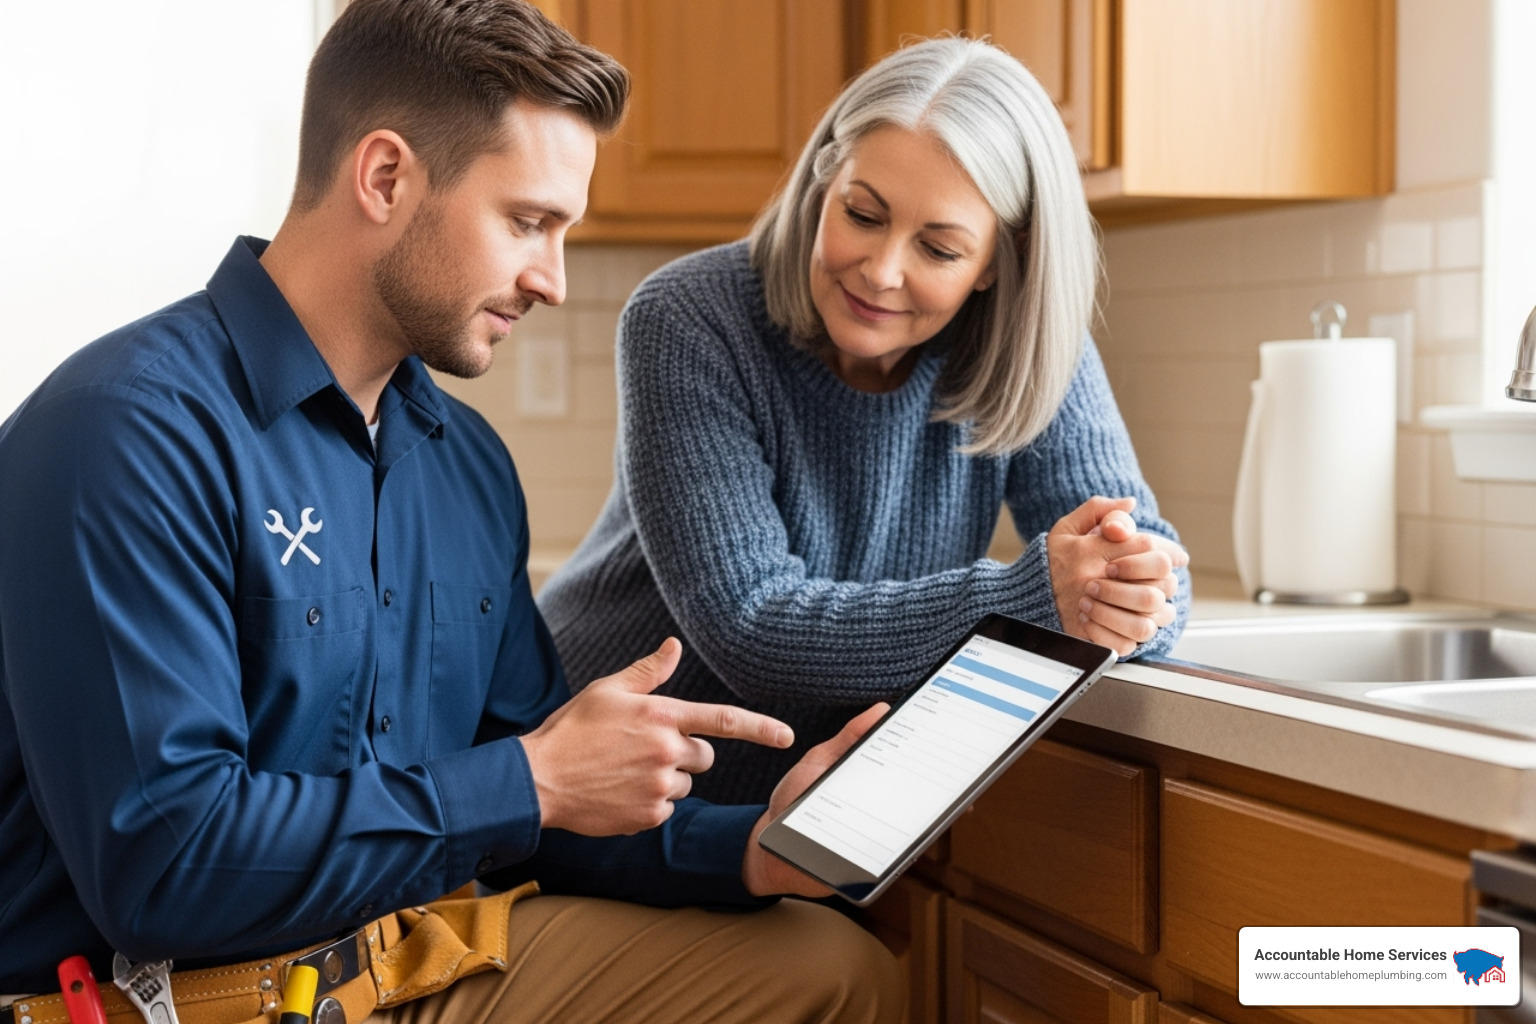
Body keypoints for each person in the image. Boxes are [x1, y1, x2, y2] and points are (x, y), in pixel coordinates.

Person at [0, 1, 903, 1021]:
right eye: (527, 222)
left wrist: (751, 848)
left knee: (833, 965)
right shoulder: (124, 433)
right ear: (385, 178)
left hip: (400, 969)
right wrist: (529, 779)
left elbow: (540, 800)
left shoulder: (465, 463)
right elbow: (168, 870)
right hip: (160, 1002)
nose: (551, 280)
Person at [539, 37, 1192, 806]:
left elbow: (1153, 572)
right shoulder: (690, 317)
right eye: (862, 214)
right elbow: (751, 627)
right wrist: (1034, 600)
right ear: (824, 181)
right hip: (602, 793)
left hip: (817, 804)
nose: (882, 272)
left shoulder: (1033, 349)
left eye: (938, 249)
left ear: (996, 261)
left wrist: (1128, 592)